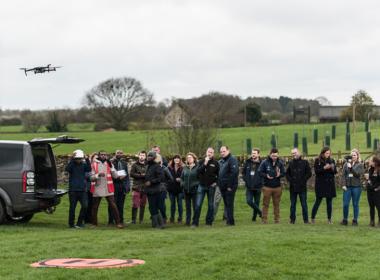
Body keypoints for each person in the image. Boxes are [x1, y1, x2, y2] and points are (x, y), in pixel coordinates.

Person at [90, 151, 123, 229]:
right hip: (97, 187)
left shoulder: (109, 163)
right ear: (99, 155)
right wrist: (98, 175)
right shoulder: (94, 164)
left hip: (108, 187)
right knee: (95, 206)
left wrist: (111, 167)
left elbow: (115, 176)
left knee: (113, 205)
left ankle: (118, 222)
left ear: (106, 156)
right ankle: (94, 223)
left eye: (105, 154)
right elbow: (91, 177)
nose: (103, 156)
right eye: (102, 154)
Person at [193, 147, 220, 227]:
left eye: (211, 152)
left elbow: (219, 175)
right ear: (206, 152)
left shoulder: (216, 163)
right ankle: (195, 222)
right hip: (201, 186)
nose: (209, 153)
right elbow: (197, 172)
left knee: (211, 205)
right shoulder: (201, 161)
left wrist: (216, 182)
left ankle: (208, 222)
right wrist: (205, 163)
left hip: (211, 187)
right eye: (208, 152)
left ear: (213, 154)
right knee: (198, 205)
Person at [258, 148, 285, 224]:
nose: (274, 157)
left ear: (278, 155)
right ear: (270, 154)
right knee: (265, 204)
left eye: (276, 156)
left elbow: (284, 172)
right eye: (273, 156)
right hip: (267, 187)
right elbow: (259, 172)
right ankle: (264, 220)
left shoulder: (280, 163)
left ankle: (277, 220)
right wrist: (266, 175)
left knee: (276, 204)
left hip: (277, 187)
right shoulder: (264, 162)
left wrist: (280, 175)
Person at [65, 149, 91, 228]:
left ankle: (79, 223)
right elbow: (67, 169)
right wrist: (72, 159)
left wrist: (86, 159)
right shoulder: (72, 165)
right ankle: (71, 224)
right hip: (73, 190)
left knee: (85, 206)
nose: (79, 160)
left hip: (82, 190)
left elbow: (89, 169)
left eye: (80, 159)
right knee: (72, 208)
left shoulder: (83, 165)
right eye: (77, 159)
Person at [311, 147, 337, 224]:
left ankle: (329, 219)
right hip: (320, 184)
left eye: (329, 153)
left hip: (329, 183)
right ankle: (312, 218)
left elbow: (335, 172)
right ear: (323, 153)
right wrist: (324, 168)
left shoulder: (332, 160)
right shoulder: (317, 160)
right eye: (326, 153)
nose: (328, 155)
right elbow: (316, 171)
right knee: (318, 201)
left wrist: (332, 168)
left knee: (329, 202)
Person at [286, 148, 312, 224]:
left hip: (302, 187)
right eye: (292, 153)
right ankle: (292, 220)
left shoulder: (305, 162)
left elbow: (309, 173)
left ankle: (306, 220)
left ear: (299, 153)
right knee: (293, 204)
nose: (294, 154)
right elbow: (287, 174)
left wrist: (303, 180)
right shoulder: (290, 163)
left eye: (295, 153)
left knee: (304, 204)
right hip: (293, 187)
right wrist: (291, 180)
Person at [340, 149, 364, 226]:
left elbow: (358, 175)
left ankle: (355, 220)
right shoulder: (345, 164)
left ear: (357, 156)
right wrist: (343, 184)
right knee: (345, 204)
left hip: (356, 187)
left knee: (355, 204)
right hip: (347, 187)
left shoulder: (360, 165)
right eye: (352, 155)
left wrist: (351, 168)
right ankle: (345, 219)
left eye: (354, 155)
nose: (353, 156)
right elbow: (343, 175)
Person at [218, 146, 239, 226]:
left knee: (229, 203)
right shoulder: (222, 161)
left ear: (228, 151)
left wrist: (230, 186)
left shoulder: (232, 159)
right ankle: (229, 220)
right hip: (222, 186)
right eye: (221, 152)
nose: (222, 153)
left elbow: (234, 172)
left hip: (230, 186)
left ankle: (231, 222)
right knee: (226, 204)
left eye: (224, 151)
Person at [108, 150, 130, 225]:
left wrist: (127, 186)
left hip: (122, 185)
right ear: (115, 154)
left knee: (121, 204)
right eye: (118, 153)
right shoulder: (111, 163)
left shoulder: (124, 163)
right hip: (114, 185)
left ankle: (120, 219)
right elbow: (110, 173)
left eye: (121, 153)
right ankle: (111, 220)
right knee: (113, 203)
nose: (119, 154)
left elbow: (127, 175)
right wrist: (117, 178)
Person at [145, 151, 165, 228]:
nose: (149, 157)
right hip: (149, 190)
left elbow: (161, 178)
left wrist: (151, 182)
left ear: (154, 157)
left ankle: (159, 224)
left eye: (151, 156)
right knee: (151, 207)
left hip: (156, 190)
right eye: (148, 156)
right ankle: (156, 224)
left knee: (155, 207)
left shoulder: (157, 166)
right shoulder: (148, 166)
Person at [242, 148, 263, 222]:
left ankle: (254, 218)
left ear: (258, 154)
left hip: (258, 187)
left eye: (255, 153)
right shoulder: (247, 162)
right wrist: (246, 180)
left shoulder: (262, 163)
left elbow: (264, 174)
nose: (253, 154)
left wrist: (261, 182)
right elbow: (243, 172)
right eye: (252, 153)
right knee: (249, 201)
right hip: (249, 186)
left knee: (256, 203)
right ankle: (261, 212)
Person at [181, 152, 199, 226]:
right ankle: (188, 221)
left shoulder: (197, 167)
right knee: (187, 207)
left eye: (190, 158)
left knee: (195, 206)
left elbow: (200, 178)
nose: (189, 159)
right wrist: (182, 184)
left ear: (194, 159)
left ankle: (195, 221)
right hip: (186, 190)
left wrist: (196, 185)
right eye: (188, 158)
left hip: (194, 190)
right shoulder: (185, 168)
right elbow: (182, 178)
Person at [130, 151, 148, 224]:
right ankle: (133, 220)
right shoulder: (134, 165)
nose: (142, 156)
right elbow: (131, 174)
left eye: (143, 155)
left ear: (145, 157)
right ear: (138, 156)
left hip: (145, 187)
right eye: (140, 155)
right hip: (136, 187)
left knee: (143, 204)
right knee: (135, 204)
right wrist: (140, 175)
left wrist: (146, 175)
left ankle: (141, 220)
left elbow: (150, 174)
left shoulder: (148, 165)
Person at [167, 155, 184, 224]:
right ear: (173, 159)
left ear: (180, 160)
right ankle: (172, 218)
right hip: (171, 189)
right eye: (175, 158)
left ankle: (180, 218)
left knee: (180, 204)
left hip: (180, 189)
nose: (176, 160)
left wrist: (181, 180)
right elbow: (167, 177)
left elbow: (185, 177)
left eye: (178, 158)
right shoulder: (169, 168)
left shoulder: (183, 168)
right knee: (172, 205)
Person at [157, 153, 173, 224]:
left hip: (162, 189)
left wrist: (165, 184)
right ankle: (157, 219)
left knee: (161, 204)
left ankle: (164, 217)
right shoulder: (152, 168)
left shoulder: (165, 168)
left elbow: (171, 178)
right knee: (155, 204)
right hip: (154, 189)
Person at [366, 156, 380, 227]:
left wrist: (377, 188)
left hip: (377, 191)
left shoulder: (379, 169)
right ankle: (372, 221)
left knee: (378, 206)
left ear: (375, 162)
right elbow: (370, 179)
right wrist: (367, 180)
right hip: (370, 191)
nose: (369, 161)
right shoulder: (370, 169)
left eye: (370, 160)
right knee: (371, 206)